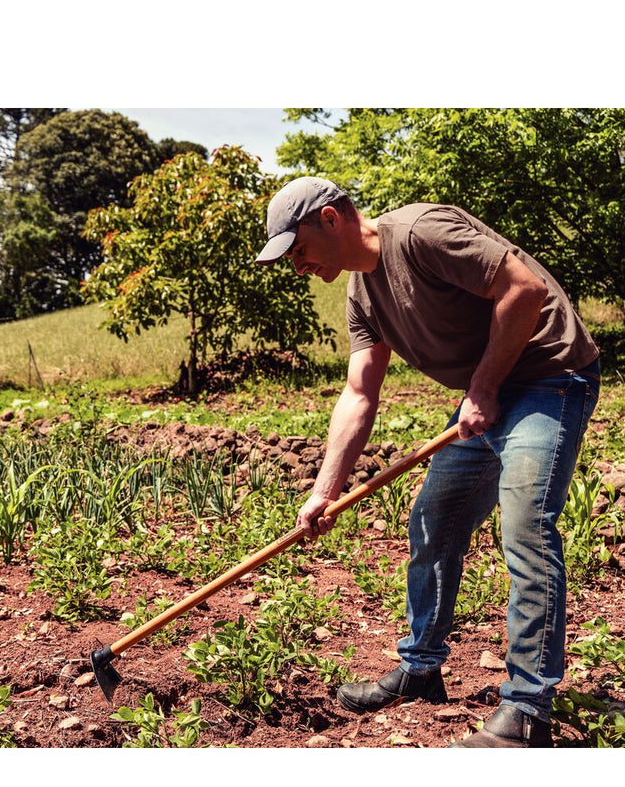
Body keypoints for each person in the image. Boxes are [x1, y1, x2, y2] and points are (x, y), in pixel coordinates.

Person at [255, 177, 600, 747]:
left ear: (331, 218)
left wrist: (484, 387)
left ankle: (527, 709)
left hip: (547, 378)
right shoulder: (362, 293)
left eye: (298, 249)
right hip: (485, 395)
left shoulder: (421, 233)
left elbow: (526, 289)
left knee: (526, 527)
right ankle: (420, 670)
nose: (298, 266)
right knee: (433, 522)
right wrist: (324, 490)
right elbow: (360, 394)